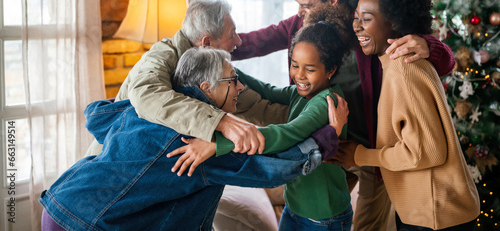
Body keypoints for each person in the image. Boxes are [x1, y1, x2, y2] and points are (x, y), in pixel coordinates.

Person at [231, 0, 456, 231]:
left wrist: (428, 45)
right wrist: (213, 46)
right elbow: (255, 42)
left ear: (333, 1)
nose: (300, 12)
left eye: (307, 5)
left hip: (374, 146)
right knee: (322, 208)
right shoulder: (302, 25)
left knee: (367, 225)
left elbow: (446, 60)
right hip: (333, 139)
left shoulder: (369, 27)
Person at [39, 47, 344, 231]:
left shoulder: (155, 107)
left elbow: (96, 115)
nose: (240, 87)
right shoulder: (200, 143)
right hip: (88, 224)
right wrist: (330, 135)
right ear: (207, 86)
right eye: (232, 80)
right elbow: (273, 168)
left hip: (59, 201)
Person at [170, 11, 354, 231]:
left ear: (331, 70)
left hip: (324, 216)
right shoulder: (303, 92)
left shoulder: (327, 102)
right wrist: (221, 66)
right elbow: (266, 90)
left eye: (310, 69)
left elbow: (287, 133)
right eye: (295, 65)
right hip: (295, 208)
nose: (299, 75)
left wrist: (217, 144)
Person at [332, 0, 480, 231]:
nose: (356, 27)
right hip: (428, 208)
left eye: (366, 18)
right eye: (356, 17)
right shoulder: (397, 61)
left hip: (434, 214)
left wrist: (361, 155)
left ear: (396, 22)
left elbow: (426, 151)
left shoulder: (403, 67)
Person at [85, 0, 266, 158]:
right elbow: (146, 94)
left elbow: (254, 105)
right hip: (110, 161)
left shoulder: (215, 71)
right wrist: (220, 122)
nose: (239, 41)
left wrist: (293, 117)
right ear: (207, 43)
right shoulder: (162, 56)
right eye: (232, 34)